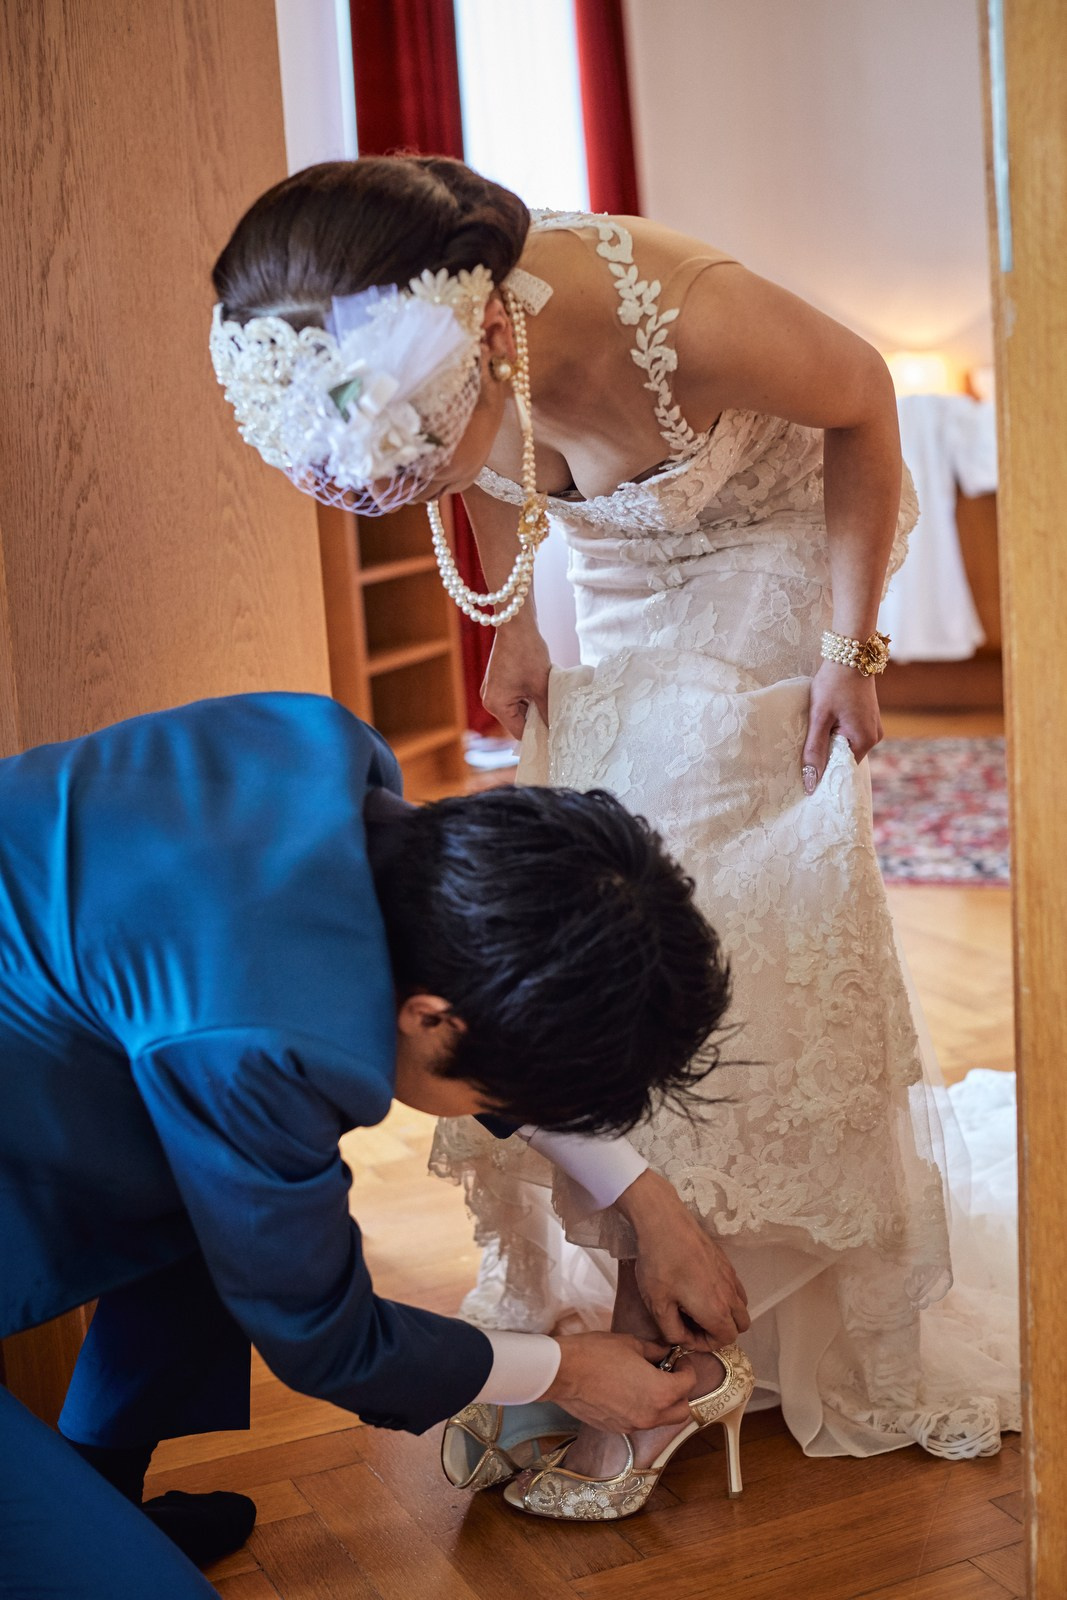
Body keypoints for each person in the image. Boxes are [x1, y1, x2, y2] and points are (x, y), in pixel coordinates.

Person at [209, 157, 1019, 1522]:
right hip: (618, 570)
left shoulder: (681, 311)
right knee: (588, 907)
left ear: (494, 337)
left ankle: (701, 1331)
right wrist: (509, 622)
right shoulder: (450, 346)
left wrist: (847, 648)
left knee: (717, 898)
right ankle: (651, 1290)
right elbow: (462, 450)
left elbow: (866, 403)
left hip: (778, 556)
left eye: (432, 428)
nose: (425, 466)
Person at [0, 689, 745, 1595]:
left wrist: (643, 1197)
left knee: (228, 1205)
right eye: (498, 1092)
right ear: (432, 1020)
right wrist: (568, 1371)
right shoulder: (256, 1036)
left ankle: (100, 1489)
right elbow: (324, 1337)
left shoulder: (331, 756)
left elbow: (485, 993)